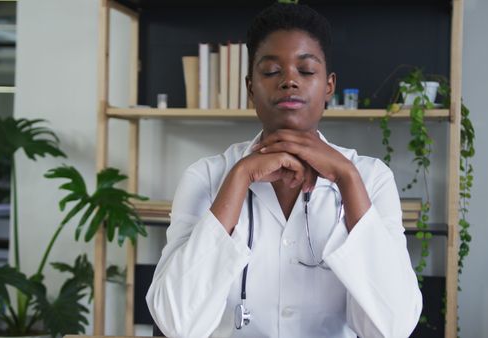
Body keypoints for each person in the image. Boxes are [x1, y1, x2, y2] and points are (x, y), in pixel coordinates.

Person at [146, 3, 422, 337]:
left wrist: (347, 179)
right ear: (250, 88)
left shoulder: (371, 178)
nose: (289, 81)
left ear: (329, 87)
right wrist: (238, 178)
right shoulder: (205, 178)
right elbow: (176, 323)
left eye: (306, 71)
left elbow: (393, 327)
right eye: (271, 71)